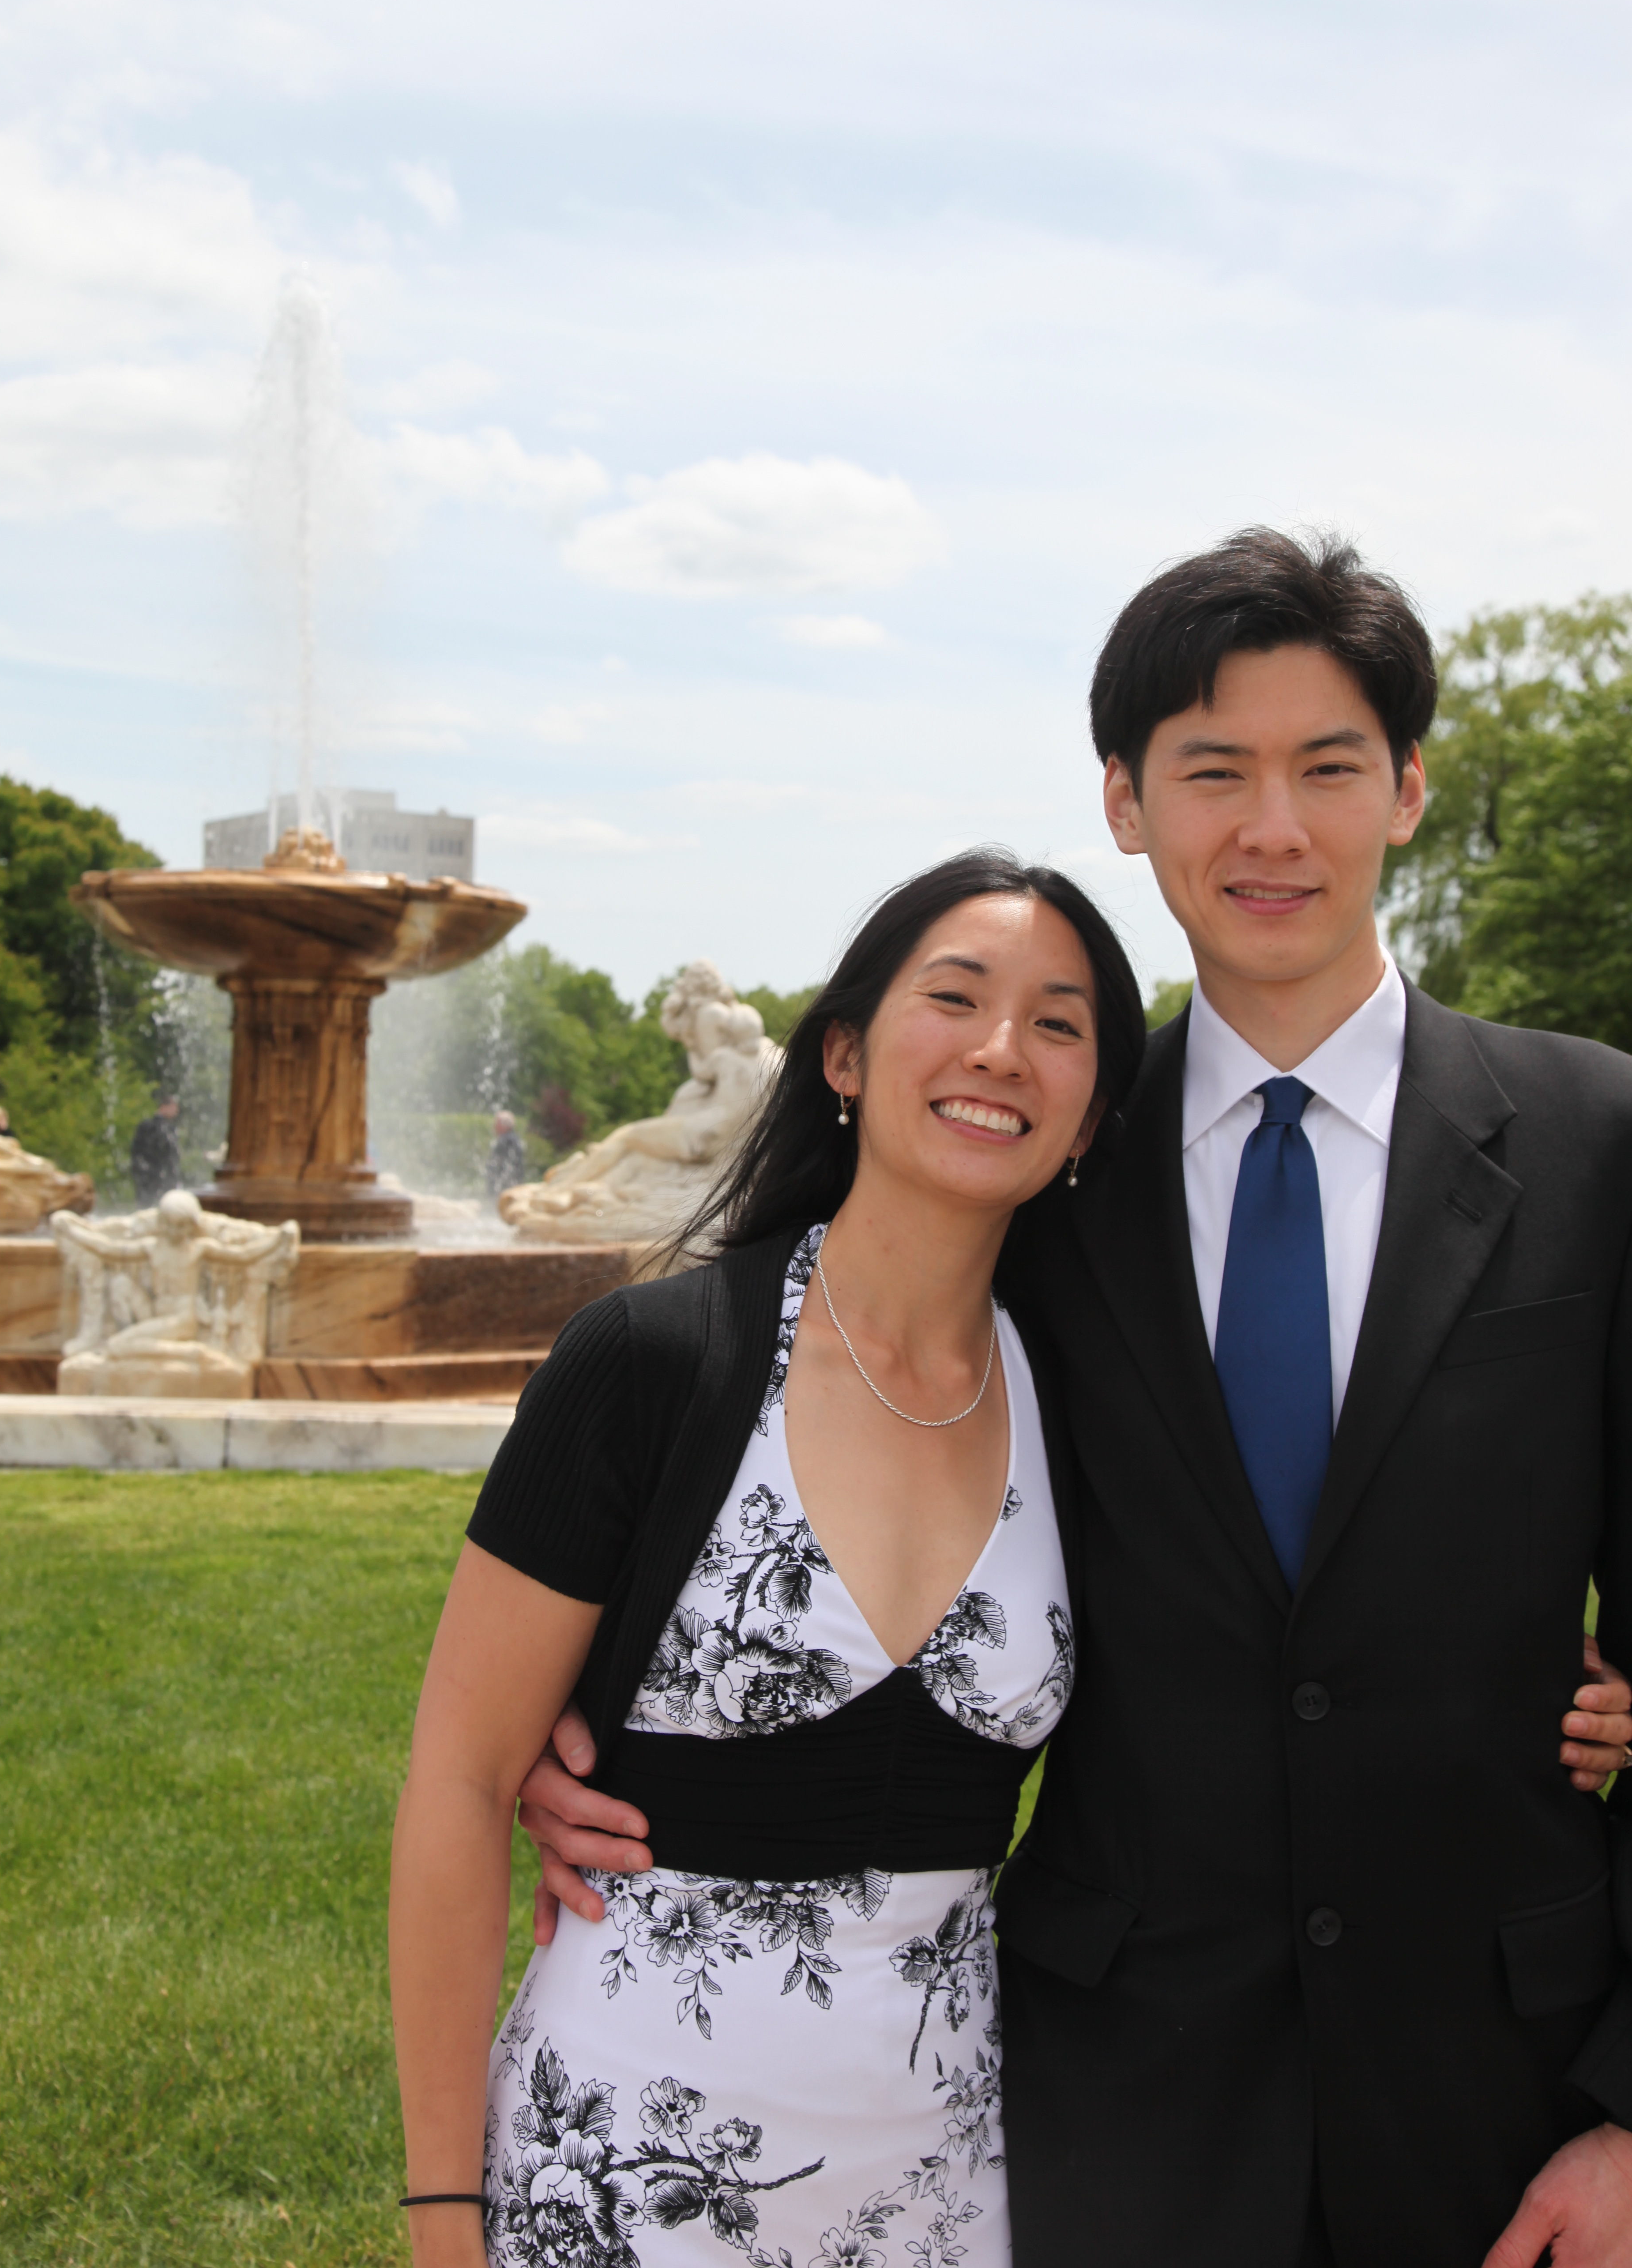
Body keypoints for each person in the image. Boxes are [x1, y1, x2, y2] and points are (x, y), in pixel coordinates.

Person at [523, 531, 1632, 2268]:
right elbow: (848, 1478)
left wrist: (1630, 2112)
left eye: (1328, 766)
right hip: (1114, 2093)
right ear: (1126, 800)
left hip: (1514, 2088)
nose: (1273, 828)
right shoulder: (1041, 1177)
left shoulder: (1597, 1143)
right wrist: (593, 1755)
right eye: (1214, 770)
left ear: (1409, 789)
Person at [389, 851, 1147, 2268]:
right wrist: (444, 2217)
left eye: (1060, 1024)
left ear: (1092, 1119)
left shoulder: (1091, 1408)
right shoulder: (648, 1363)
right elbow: (461, 1785)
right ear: (844, 1055)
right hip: (618, 2171)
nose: (1002, 1049)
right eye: (956, 998)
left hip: (949, 2182)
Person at [129, 1093, 181, 1206]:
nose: (177, 1111)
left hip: (153, 1177)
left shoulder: (152, 1126)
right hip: (153, 1178)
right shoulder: (156, 1128)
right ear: (164, 1107)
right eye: (174, 1106)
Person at [485, 1113, 526, 1198]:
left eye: (497, 1123)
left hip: (505, 1187)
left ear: (504, 1126)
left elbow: (499, 1165)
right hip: (514, 1184)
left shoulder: (505, 1140)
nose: (494, 1126)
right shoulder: (514, 1139)